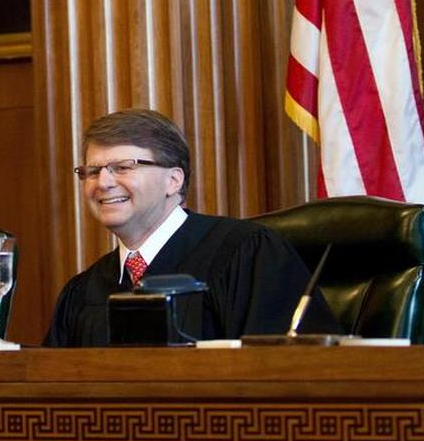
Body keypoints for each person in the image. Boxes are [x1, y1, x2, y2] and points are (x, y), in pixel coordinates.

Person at [44, 109, 339, 347]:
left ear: (174, 180)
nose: (103, 182)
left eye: (123, 167)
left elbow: (289, 374)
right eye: (92, 171)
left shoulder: (246, 253)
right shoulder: (82, 291)